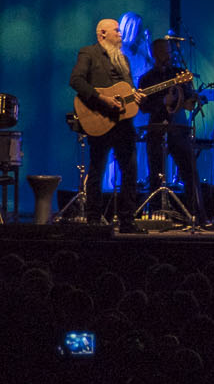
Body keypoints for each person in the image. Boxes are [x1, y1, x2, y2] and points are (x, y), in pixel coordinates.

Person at [69, 17, 140, 231]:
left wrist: (135, 96)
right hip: (98, 118)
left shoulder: (123, 59)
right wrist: (102, 99)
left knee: (130, 170)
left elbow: (127, 89)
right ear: (102, 34)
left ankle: (127, 220)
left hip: (123, 123)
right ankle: (93, 219)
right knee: (97, 169)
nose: (121, 34)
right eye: (116, 30)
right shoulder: (88, 53)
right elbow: (76, 81)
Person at [137, 37, 204, 222]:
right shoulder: (146, 79)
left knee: (189, 171)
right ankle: (157, 215)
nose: (168, 53)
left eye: (168, 50)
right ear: (154, 53)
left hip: (179, 128)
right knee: (156, 173)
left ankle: (197, 216)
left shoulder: (179, 73)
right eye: (163, 50)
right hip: (156, 129)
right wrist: (162, 103)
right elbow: (143, 106)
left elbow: (189, 100)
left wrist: (190, 100)